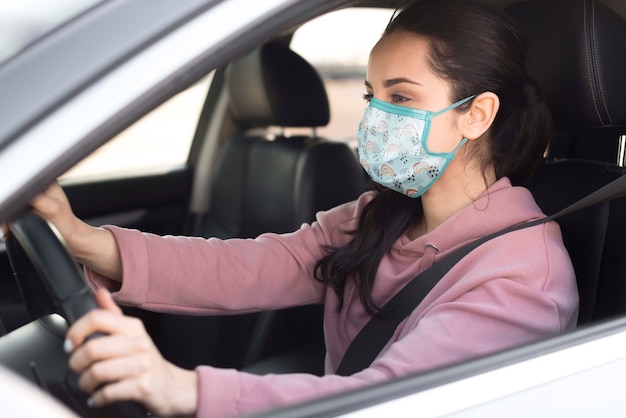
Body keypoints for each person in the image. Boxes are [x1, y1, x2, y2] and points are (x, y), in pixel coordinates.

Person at [30, 0, 579, 416]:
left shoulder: (524, 275)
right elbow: (246, 269)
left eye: (403, 97)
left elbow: (385, 402)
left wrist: (182, 388)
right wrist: (80, 237)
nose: (376, 118)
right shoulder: (378, 217)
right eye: (373, 96)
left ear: (477, 114)